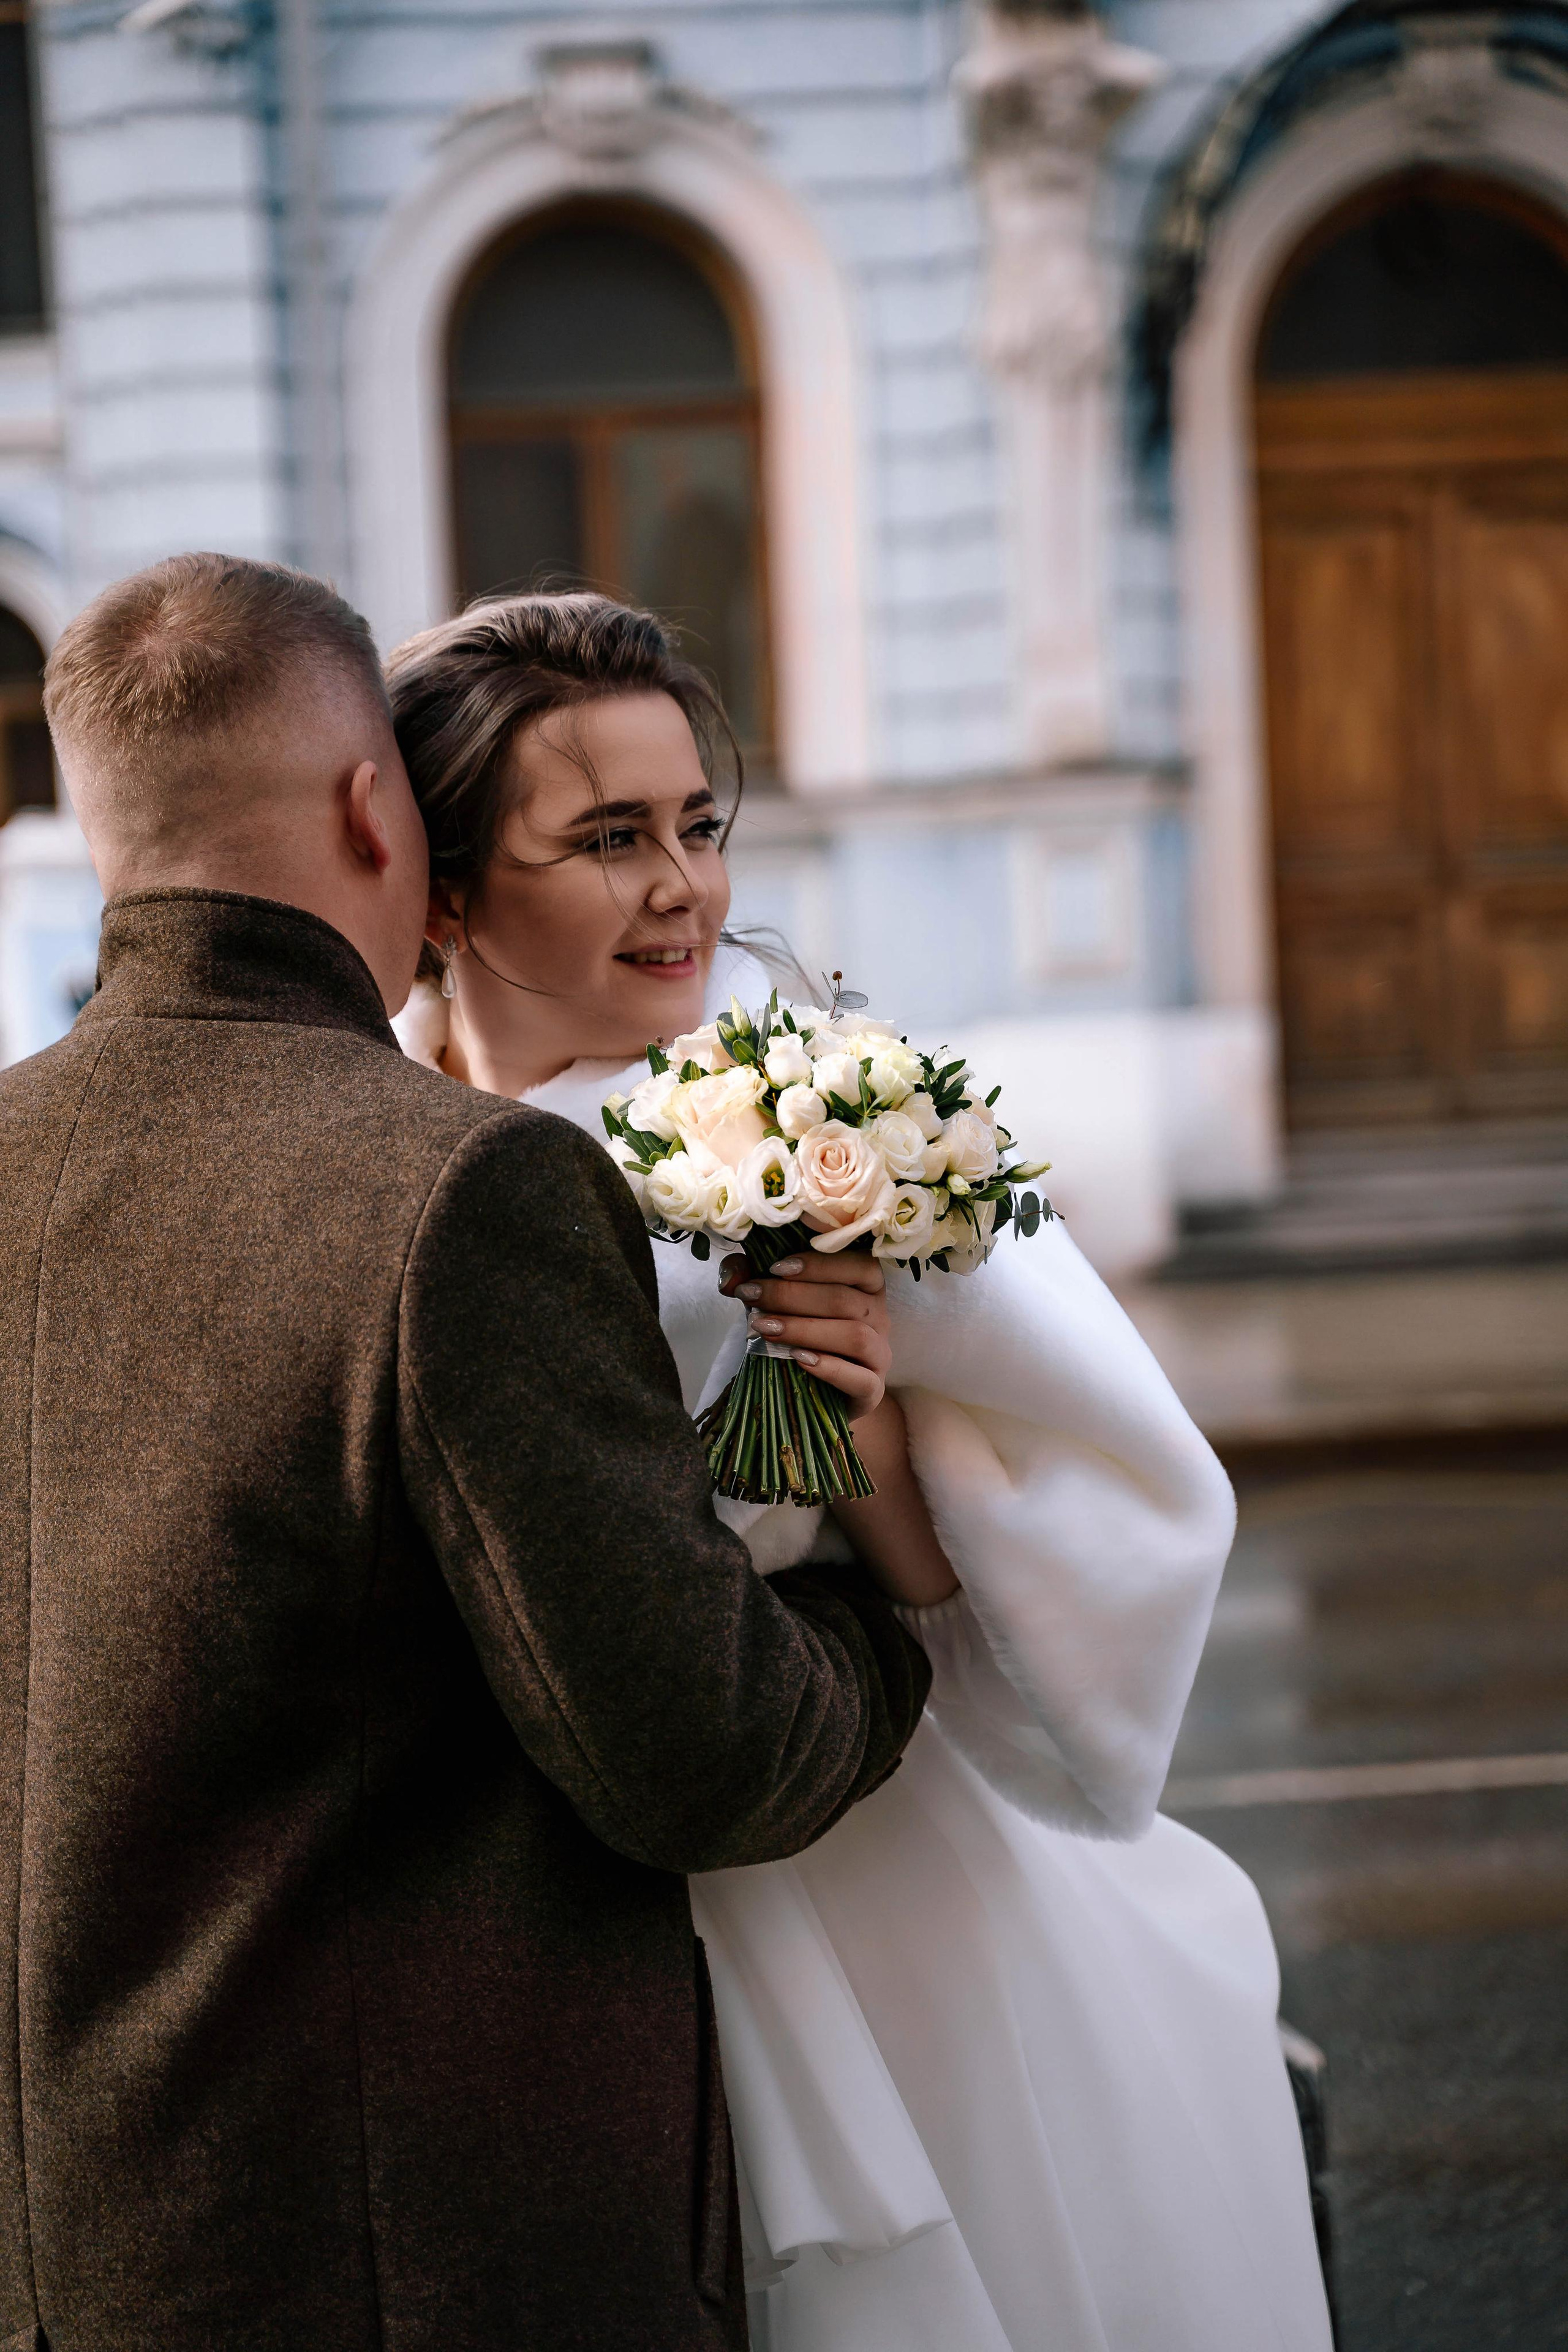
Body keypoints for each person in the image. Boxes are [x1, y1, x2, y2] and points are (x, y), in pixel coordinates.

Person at [0, 552, 931, 2352]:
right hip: (414, 2265)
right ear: (376, 811)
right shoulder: (456, 1188)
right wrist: (888, 1647)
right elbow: (705, 1757)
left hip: (64, 2260)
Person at [388, 590, 1339, 2352]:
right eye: (606, 840)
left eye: (697, 825)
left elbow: (989, 1566)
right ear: (444, 892)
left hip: (851, 1837)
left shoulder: (837, 1106)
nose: (681, 887)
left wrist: (864, 1408)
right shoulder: (391, 1159)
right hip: (531, 1898)